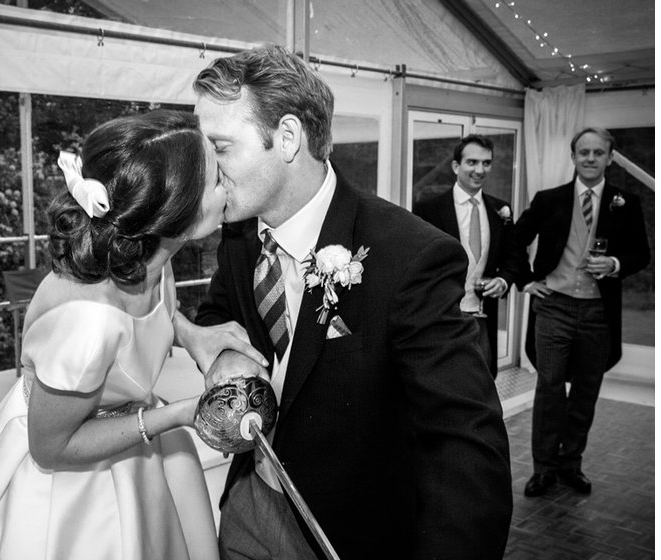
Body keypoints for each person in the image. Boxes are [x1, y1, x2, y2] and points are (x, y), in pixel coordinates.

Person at [177, 44, 513, 559]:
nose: (209, 169)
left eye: (219, 147)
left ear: (287, 138)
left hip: (345, 532)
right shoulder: (240, 236)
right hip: (249, 502)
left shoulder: (411, 257)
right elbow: (219, 311)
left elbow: (464, 442)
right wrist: (223, 354)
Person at [0, 110, 265, 560]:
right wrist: (181, 414)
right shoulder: (88, 324)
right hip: (66, 480)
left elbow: (148, 315)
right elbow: (51, 447)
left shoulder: (149, 251)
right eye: (217, 179)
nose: (229, 184)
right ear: (177, 212)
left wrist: (191, 334)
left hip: (128, 439)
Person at [515, 127, 650, 498]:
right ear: (573, 157)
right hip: (553, 306)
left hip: (598, 313)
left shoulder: (627, 201)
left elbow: (642, 254)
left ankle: (570, 464)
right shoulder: (549, 199)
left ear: (610, 157)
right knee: (549, 389)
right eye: (583, 152)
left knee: (587, 391)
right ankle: (543, 469)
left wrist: (615, 263)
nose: (590, 159)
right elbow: (514, 240)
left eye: (598, 152)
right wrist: (526, 280)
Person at [413, 135, 525, 378]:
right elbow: (417, 262)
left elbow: (513, 257)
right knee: (444, 380)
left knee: (483, 381)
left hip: (483, 317)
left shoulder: (500, 209)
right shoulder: (428, 209)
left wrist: (503, 281)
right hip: (442, 317)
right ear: (456, 166)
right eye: (472, 162)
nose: (480, 170)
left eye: (486, 163)